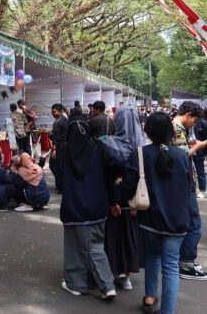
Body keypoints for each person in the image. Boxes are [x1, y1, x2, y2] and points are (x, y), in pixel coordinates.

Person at [122, 113, 193, 314]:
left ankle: (150, 298)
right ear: (170, 131)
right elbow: (188, 189)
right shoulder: (182, 156)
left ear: (148, 131)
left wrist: (127, 203)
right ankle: (167, 311)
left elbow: (127, 187)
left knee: (152, 256)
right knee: (170, 266)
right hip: (177, 221)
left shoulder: (140, 154)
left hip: (150, 220)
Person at [55, 113, 122, 300]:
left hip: (73, 206)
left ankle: (79, 284)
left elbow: (59, 179)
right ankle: (104, 285)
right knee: (96, 245)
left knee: (74, 246)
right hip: (98, 205)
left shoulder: (64, 149)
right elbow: (118, 163)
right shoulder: (99, 147)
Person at [104, 105, 145, 291]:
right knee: (130, 237)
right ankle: (127, 275)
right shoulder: (142, 147)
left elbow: (107, 175)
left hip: (114, 201)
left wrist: (112, 200)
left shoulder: (109, 144)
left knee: (113, 236)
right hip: (134, 202)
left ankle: (113, 272)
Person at [171, 101, 207, 280]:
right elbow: (182, 156)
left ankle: (185, 260)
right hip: (183, 183)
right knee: (194, 225)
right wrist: (198, 146)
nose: (194, 123)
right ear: (188, 115)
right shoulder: (177, 128)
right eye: (194, 120)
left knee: (189, 223)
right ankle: (187, 264)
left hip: (180, 182)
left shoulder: (176, 127)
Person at [49, 103, 68, 192]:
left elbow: (56, 138)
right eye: (52, 112)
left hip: (60, 147)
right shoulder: (65, 119)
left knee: (56, 166)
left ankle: (60, 186)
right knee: (62, 166)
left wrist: (54, 149)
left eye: (54, 112)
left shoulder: (57, 122)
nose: (53, 114)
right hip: (66, 146)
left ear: (60, 111)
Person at [192, 108, 207, 199]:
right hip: (190, 150)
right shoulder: (192, 122)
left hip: (199, 151)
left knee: (200, 170)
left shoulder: (203, 123)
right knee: (192, 170)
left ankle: (202, 190)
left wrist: (201, 146)